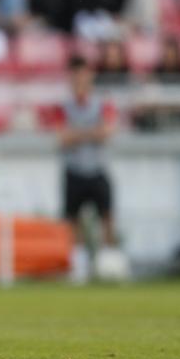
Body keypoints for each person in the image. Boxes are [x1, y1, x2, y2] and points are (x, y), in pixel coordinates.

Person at [56, 56, 120, 284]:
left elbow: (107, 132)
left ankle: (109, 265)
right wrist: (91, 132)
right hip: (74, 170)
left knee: (107, 217)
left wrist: (78, 133)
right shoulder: (64, 106)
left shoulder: (102, 103)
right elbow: (62, 137)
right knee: (73, 220)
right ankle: (79, 265)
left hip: (97, 168)